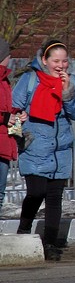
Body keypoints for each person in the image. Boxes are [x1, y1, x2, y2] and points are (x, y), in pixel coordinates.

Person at [11, 38, 75, 261]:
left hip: (60, 149)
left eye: (64, 61)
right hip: (35, 145)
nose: (61, 65)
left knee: (54, 198)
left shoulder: (73, 82)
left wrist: (67, 92)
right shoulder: (30, 79)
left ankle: (50, 243)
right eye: (56, 61)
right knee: (36, 192)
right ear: (44, 60)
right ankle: (24, 230)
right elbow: (14, 107)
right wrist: (18, 117)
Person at [0, 38, 17, 213]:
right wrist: (5, 117)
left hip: (4, 142)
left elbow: (7, 107)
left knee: (0, 192)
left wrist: (17, 113)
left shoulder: (5, 81)